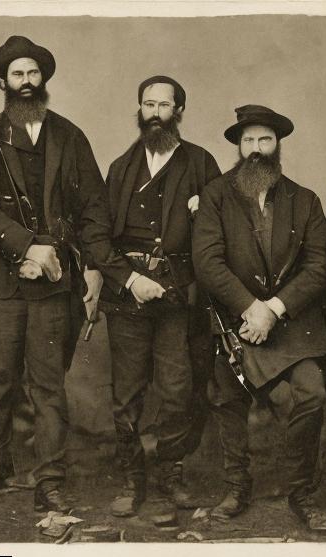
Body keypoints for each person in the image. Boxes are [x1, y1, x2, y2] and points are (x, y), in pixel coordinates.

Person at [0, 35, 105, 513]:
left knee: (47, 382)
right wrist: (25, 245)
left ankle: (50, 478)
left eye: (33, 74)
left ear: (44, 79)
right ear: (3, 81)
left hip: (57, 279)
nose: (25, 82)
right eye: (16, 75)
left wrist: (96, 268)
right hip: (3, 277)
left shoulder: (70, 136)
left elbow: (94, 209)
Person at [193, 105, 326, 532]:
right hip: (234, 317)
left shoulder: (304, 199)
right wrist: (248, 307)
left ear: (278, 146)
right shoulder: (216, 195)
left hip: (289, 320)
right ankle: (236, 486)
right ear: (238, 147)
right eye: (248, 141)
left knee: (311, 393)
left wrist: (273, 309)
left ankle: (301, 491)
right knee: (226, 397)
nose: (256, 149)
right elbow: (207, 260)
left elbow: (319, 267)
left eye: (265, 140)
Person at [85, 76, 220, 518]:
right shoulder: (120, 168)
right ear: (139, 110)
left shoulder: (201, 162)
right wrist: (127, 278)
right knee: (127, 392)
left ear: (179, 112)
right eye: (149, 104)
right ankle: (131, 477)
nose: (156, 112)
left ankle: (169, 475)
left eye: (165, 105)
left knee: (179, 388)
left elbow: (224, 232)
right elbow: (97, 236)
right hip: (129, 295)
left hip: (180, 293)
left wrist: (209, 210)